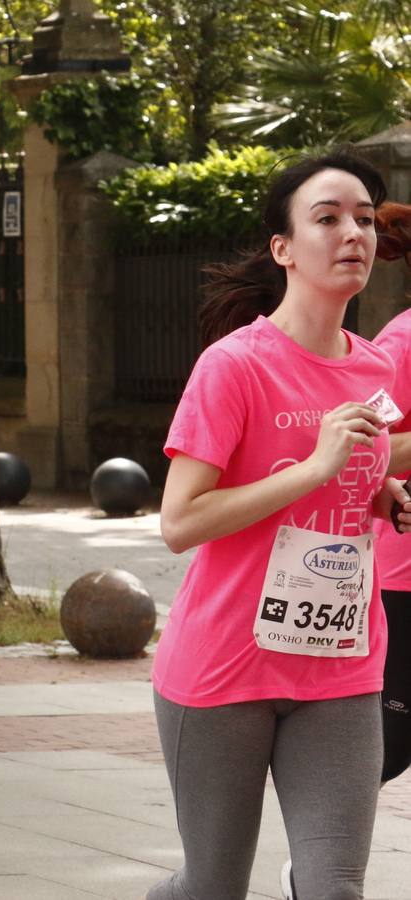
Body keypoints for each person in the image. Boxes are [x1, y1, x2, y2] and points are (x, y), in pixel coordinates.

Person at [150, 152, 403, 900]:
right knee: (213, 886)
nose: (352, 231)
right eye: (327, 218)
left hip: (341, 663)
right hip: (225, 668)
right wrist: (313, 469)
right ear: (283, 248)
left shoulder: (373, 368)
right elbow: (179, 521)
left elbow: (351, 476)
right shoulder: (234, 367)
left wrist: (382, 492)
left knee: (334, 888)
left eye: (363, 218)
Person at [374, 203, 411, 800]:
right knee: (389, 746)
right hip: (403, 580)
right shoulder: (401, 341)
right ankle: (318, 873)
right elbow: (369, 449)